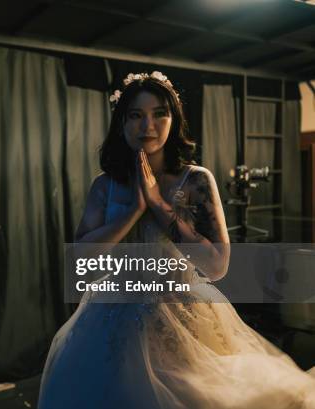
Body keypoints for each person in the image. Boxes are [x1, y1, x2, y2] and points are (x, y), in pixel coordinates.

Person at [38, 72, 315, 408]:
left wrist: (158, 206)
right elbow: (81, 259)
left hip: (185, 314)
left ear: (174, 119)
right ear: (121, 122)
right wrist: (134, 211)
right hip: (114, 315)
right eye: (136, 115)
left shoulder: (196, 179)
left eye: (159, 114)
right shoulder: (105, 185)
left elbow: (218, 266)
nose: (147, 126)